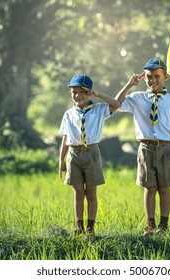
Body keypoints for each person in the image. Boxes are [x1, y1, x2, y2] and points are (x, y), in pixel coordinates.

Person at [115, 58, 170, 235]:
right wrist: (129, 84)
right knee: (150, 188)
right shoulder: (137, 98)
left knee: (164, 187)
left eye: (156, 76)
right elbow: (116, 104)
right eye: (148, 76)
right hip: (146, 148)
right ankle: (150, 224)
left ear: (165, 77)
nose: (152, 80)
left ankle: (163, 226)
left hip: (166, 147)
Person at [59, 73, 120, 239]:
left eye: (82, 92)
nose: (78, 96)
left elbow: (117, 104)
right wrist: (61, 159)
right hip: (73, 154)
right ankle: (79, 227)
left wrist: (99, 95)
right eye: (74, 92)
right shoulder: (68, 114)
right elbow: (65, 137)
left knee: (91, 193)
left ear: (89, 93)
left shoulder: (99, 110)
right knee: (78, 192)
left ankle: (90, 229)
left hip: (92, 152)